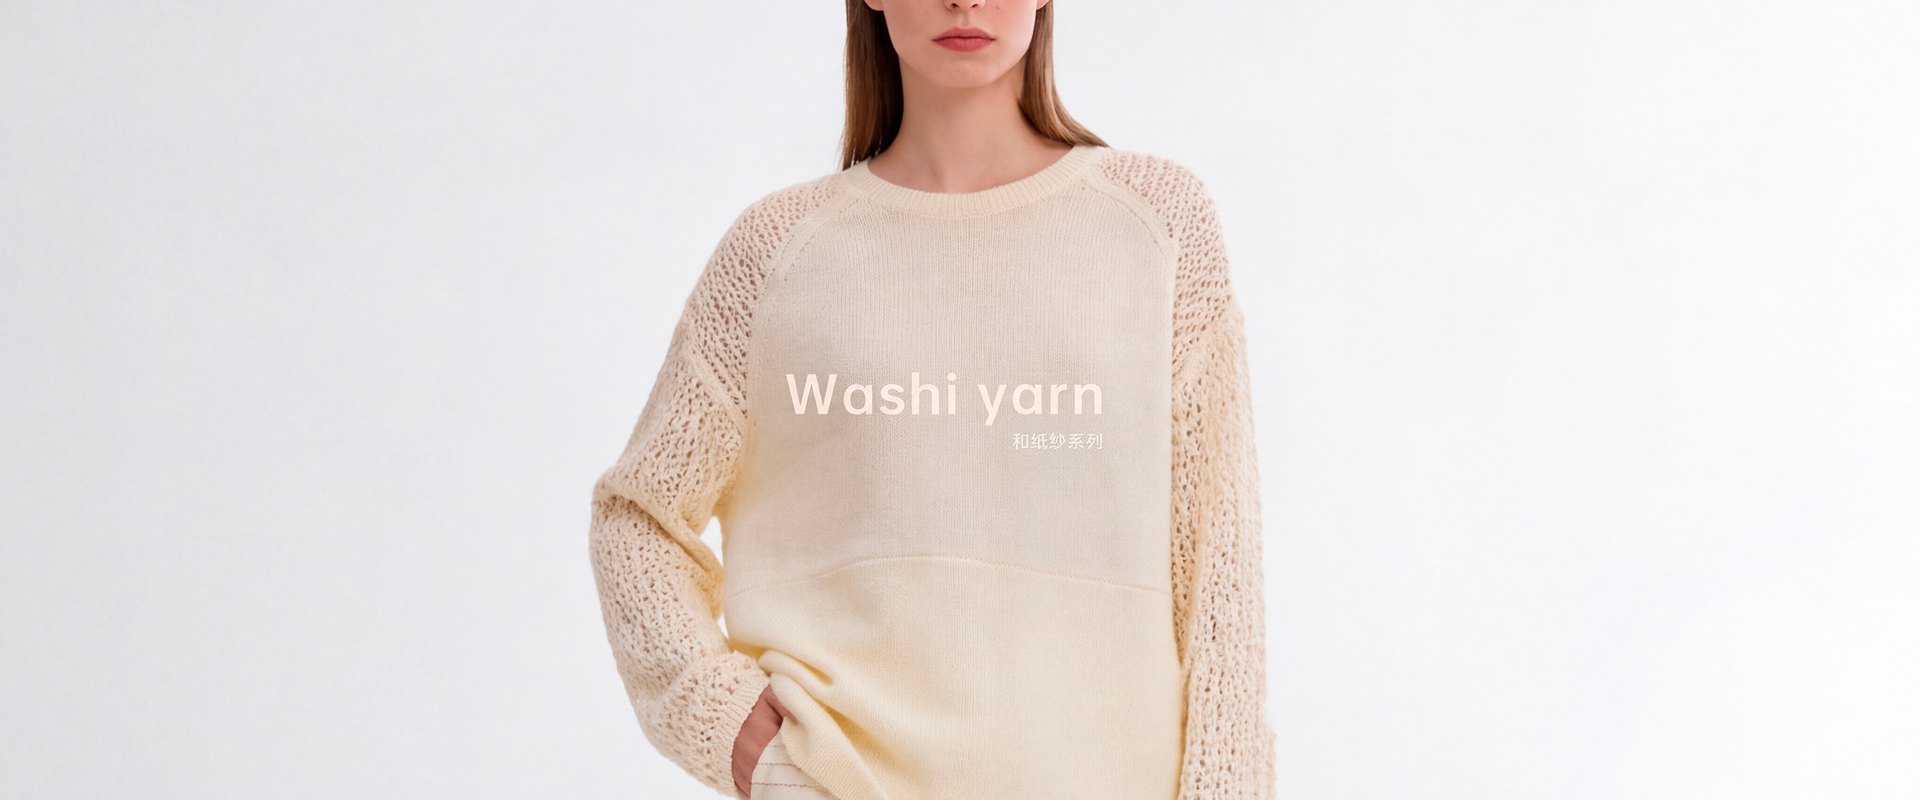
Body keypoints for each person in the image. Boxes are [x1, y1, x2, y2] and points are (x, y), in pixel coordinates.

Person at [586, 1, 1272, 798]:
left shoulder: (1158, 225)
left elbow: (1219, 575)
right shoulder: (776, 254)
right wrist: (724, 720)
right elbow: (639, 517)